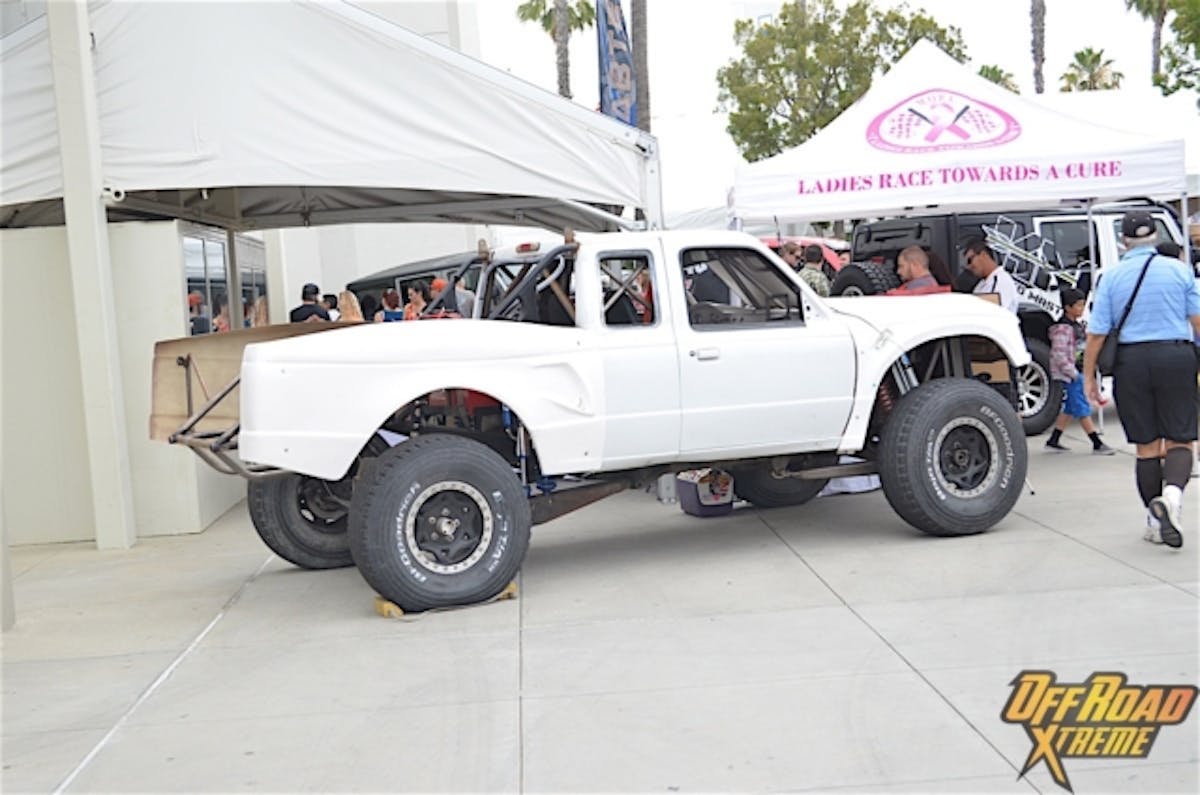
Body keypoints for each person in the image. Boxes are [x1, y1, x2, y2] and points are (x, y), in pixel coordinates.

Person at [1083, 210, 1200, 548]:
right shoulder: (1179, 271)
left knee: (1146, 447)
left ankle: (1153, 520)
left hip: (1131, 362)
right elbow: (1197, 320)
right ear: (1155, 237)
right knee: (1181, 439)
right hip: (1175, 356)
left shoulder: (1111, 277)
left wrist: (1089, 376)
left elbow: (1096, 333)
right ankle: (1172, 497)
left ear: (1123, 241)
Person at [1044, 288, 1114, 455]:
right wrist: (1073, 373)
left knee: (1070, 407)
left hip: (1077, 371)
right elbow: (1059, 354)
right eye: (1078, 305)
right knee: (1082, 408)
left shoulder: (1076, 326)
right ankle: (1096, 443)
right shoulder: (1063, 329)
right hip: (1071, 375)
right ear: (1067, 307)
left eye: (1083, 305)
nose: (1082, 309)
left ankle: (1053, 440)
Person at [962, 239, 1019, 314]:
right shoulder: (981, 284)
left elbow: (991, 312)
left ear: (983, 255)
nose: (969, 267)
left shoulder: (1001, 281)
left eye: (970, 260)